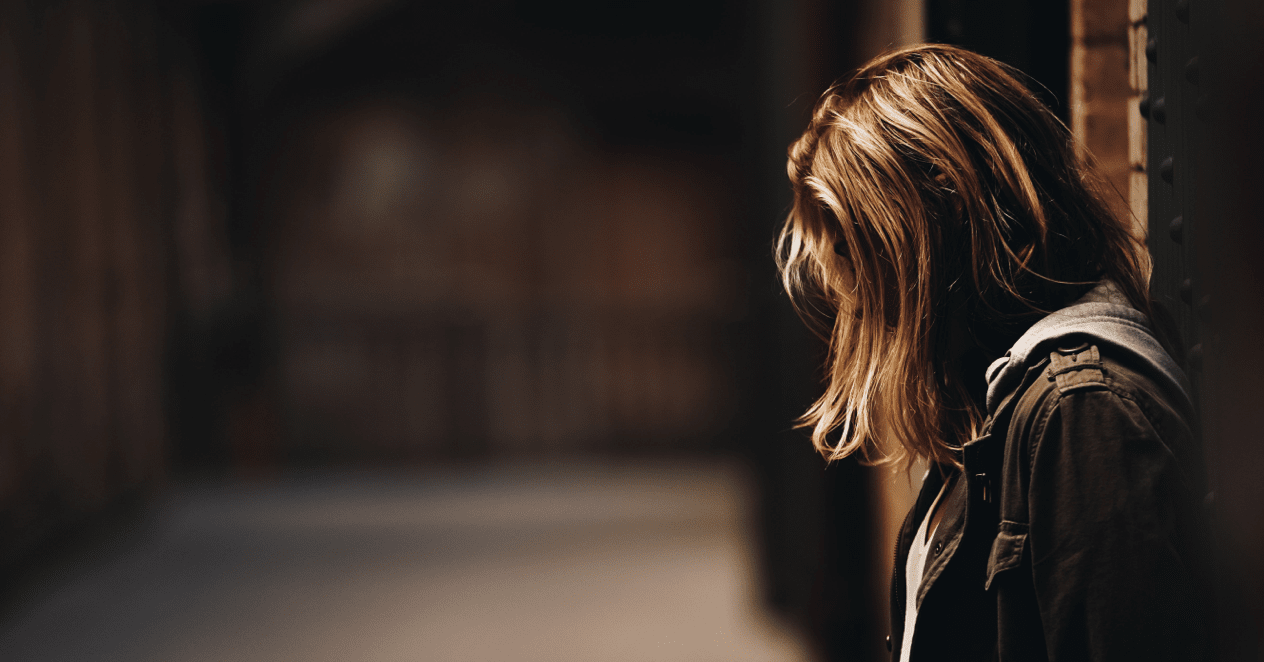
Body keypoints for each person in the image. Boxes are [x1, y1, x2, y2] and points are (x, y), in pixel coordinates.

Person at [776, 44, 1213, 661]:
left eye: (853, 244)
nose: (848, 288)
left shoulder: (1083, 411)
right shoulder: (995, 403)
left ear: (942, 205)